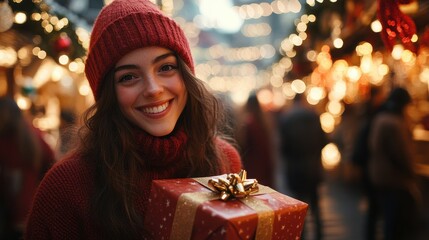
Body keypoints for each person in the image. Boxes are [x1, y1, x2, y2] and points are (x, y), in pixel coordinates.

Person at [24, 0, 242, 239]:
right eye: (128, 77)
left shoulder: (225, 160)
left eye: (166, 67)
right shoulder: (66, 187)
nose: (153, 89)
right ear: (108, 94)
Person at [368, 87, 422, 240]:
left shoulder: (381, 118)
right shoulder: (394, 123)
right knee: (395, 223)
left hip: (380, 176)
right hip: (394, 179)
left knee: (388, 220)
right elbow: (401, 153)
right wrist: (412, 174)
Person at [0, 96, 55, 240]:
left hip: (15, 215)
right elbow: (53, 164)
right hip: (30, 212)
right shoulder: (33, 135)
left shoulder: (8, 139)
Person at [278, 93, 328, 240]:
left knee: (300, 207)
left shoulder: (286, 118)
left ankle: (302, 235)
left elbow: (284, 148)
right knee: (316, 206)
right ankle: (319, 234)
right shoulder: (313, 115)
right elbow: (323, 140)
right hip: (312, 167)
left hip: (296, 169)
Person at [351, 86, 385, 240]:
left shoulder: (365, 114)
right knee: (375, 208)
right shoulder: (376, 115)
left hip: (368, 166)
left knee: (373, 208)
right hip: (372, 167)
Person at [236, 92, 276, 187]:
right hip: (264, 165)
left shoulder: (248, 123)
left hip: (252, 166)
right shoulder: (264, 121)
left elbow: (243, 144)